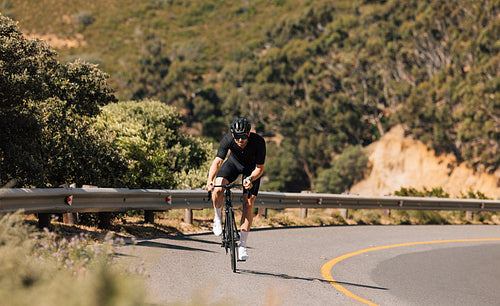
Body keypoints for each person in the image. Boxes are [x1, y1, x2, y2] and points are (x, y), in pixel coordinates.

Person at [206, 118, 266, 261]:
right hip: (233, 165)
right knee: (219, 188)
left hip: (251, 171)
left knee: (248, 204)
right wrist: (210, 180)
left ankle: (243, 246)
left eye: (243, 136)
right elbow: (218, 161)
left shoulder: (259, 142)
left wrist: (250, 179)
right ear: (232, 135)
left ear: (249, 134)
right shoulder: (228, 139)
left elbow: (260, 168)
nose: (240, 139)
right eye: (237, 136)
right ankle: (218, 216)